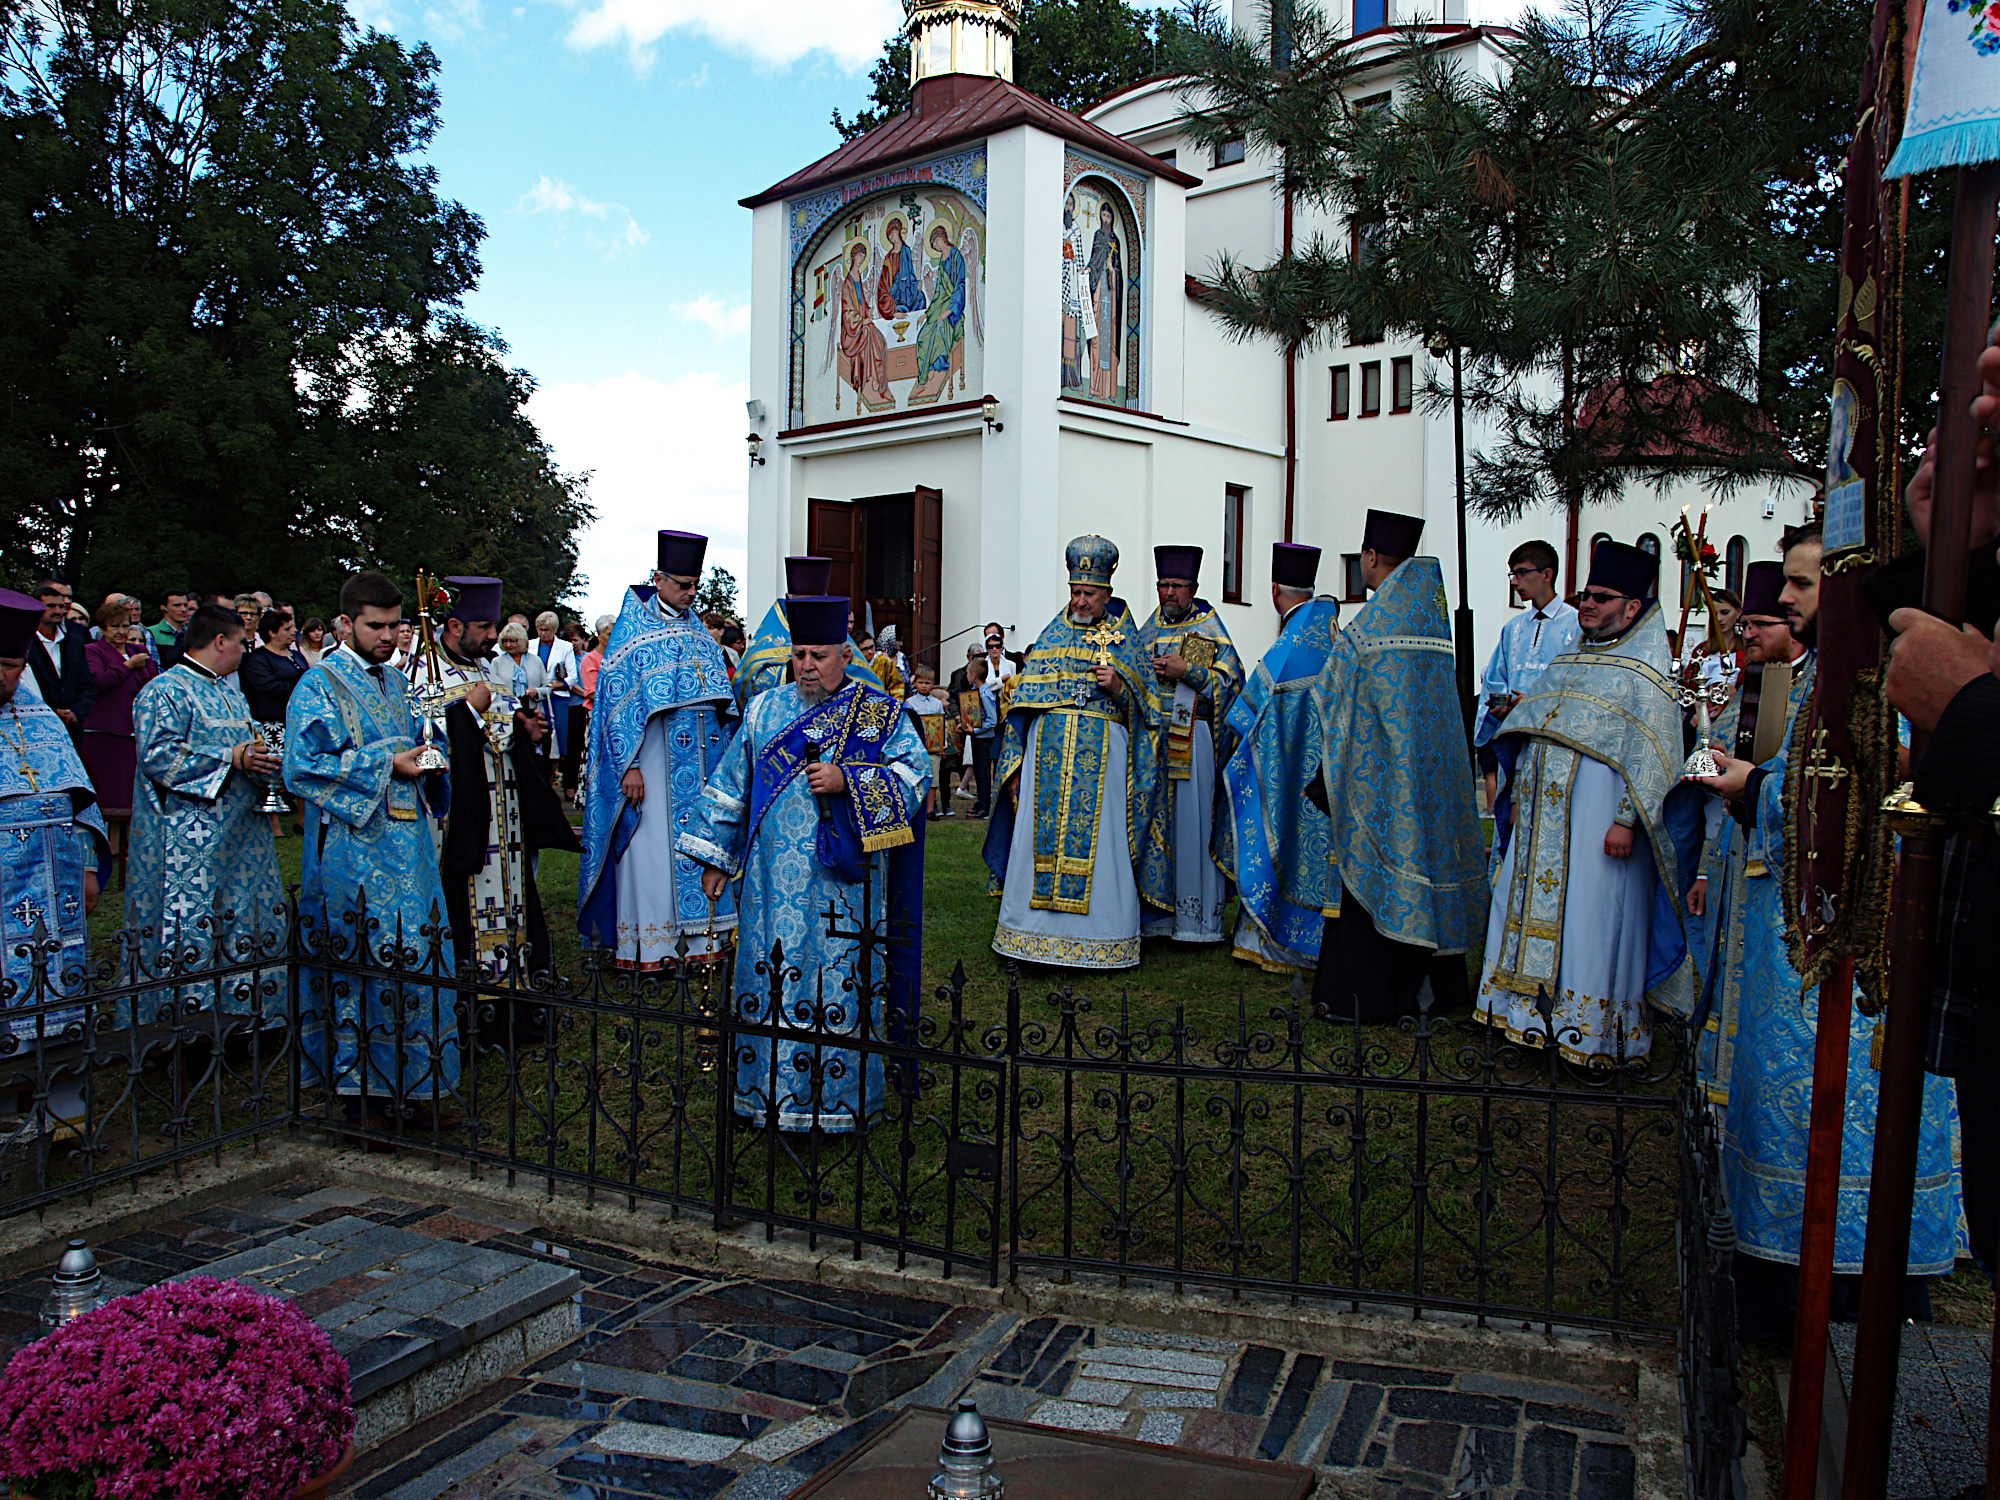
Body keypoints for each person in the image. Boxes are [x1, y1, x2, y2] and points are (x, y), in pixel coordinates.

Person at [1702, 528, 1960, 1330]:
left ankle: (1839, 1292)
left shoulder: (1892, 681)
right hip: (1803, 946)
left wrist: (1753, 788)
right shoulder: (1829, 672)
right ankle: (1789, 1281)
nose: (1782, 597)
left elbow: (1856, 797)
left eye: (1805, 586)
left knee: (1849, 1117)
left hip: (1858, 945)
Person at [678, 595, 931, 1132]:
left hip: (845, 887)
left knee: (839, 982)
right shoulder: (763, 711)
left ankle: (840, 1102)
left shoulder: (877, 712)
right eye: (799, 654)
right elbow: (732, 785)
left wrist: (850, 781)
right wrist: (717, 858)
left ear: (844, 655)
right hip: (772, 885)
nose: (807, 666)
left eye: (819, 654)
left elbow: (916, 779)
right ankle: (764, 1096)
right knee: (772, 978)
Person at [1474, 540, 1700, 1061]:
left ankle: (1591, 1033)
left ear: (1633, 608)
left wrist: (1625, 822)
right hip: (1541, 829)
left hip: (1601, 833)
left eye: (1601, 597)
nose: (1589, 605)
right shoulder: (1571, 658)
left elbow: (1653, 763)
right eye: (1586, 595)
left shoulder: (1646, 678)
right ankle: (1523, 1016)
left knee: (1592, 925)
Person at [283, 571, 457, 1117]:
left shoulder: (395, 681)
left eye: (394, 626)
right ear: (345, 623)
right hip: (352, 849)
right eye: (375, 626)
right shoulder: (319, 685)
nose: (387, 636)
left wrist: (431, 757)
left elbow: (414, 748)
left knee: (418, 949)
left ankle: (413, 1079)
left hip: (408, 843)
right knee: (363, 955)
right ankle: (357, 1087)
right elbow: (301, 767)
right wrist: (389, 762)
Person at [1310, 511, 1488, 1020]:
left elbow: (1330, 690)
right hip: (1432, 779)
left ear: (1369, 557)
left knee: (1373, 879)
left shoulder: (1371, 626)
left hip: (1379, 783)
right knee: (1428, 870)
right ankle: (1439, 991)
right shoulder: (1429, 618)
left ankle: (1367, 995)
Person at [983, 536, 1168, 969]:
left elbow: (1150, 710)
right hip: (1048, 754)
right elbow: (1026, 695)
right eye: (1075, 592)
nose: (1080, 601)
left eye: (1089, 593)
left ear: (1107, 593)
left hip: (1103, 756)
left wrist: (1121, 688)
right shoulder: (1053, 634)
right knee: (1036, 839)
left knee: (1102, 843)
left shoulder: (1124, 640)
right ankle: (1028, 937)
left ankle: (1102, 940)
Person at [419, 578, 579, 1024]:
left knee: (513, 897)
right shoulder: (425, 673)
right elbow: (426, 742)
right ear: (453, 625)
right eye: (484, 626)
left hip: (505, 817)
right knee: (466, 905)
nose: (495, 636)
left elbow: (500, 727)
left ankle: (517, 992)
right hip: (463, 820)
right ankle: (474, 1005)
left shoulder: (484, 668)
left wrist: (524, 731)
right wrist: (467, 711)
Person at [578, 531, 738, 970]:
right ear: (658, 578)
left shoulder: (700, 636)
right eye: (682, 585)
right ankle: (652, 946)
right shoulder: (631, 637)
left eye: (694, 585)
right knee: (652, 850)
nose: (690, 594)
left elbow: (724, 701)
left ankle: (703, 944)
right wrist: (628, 765)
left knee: (697, 844)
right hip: (651, 762)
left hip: (702, 762)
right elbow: (613, 711)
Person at [123, 605, 287, 1029]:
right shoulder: (165, 691)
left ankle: (249, 1014)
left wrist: (263, 761)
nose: (243, 651)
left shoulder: (230, 691)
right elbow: (157, 758)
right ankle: (188, 1022)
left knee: (242, 917)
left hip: (240, 834)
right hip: (186, 839)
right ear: (220, 641)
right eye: (240, 643)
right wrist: (231, 758)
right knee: (192, 924)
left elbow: (248, 744)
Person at [0, 588, 108, 1132]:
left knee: (59, 983)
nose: (4, 675)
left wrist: (89, 865)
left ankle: (65, 1111)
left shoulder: (40, 717)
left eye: (12, 664)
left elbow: (80, 800)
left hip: (55, 883)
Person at [1219, 543, 1341, 975]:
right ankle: (1317, 938)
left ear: (1275, 591)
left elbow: (1244, 712)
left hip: (1289, 769)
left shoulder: (1291, 642)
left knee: (1285, 844)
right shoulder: (1331, 633)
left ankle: (1272, 941)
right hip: (1325, 773)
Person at [1134, 546, 1242, 945]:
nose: (1169, 593)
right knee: (1155, 826)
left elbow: (1233, 684)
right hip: (1153, 744)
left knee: (1192, 825)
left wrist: (1190, 672)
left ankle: (1197, 923)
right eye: (1163, 585)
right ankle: (1158, 916)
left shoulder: (1210, 628)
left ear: (1193, 587)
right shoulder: (1149, 628)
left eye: (1177, 585)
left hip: (1193, 743)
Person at [1473, 541, 1580, 813]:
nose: (1515, 582)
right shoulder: (1514, 627)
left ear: (1547, 574)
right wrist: (1499, 705)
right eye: (1512, 574)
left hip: (1557, 740)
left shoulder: (1576, 625)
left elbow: (1579, 682)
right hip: (1516, 738)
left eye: (1521, 573)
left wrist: (1535, 702)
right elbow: (1497, 676)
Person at [736, 557, 887, 709]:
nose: (809, 611)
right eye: (802, 604)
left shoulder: (835, 634)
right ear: (788, 599)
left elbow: (868, 686)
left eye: (815, 603)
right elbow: (746, 684)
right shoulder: (771, 631)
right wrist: (789, 672)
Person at [80, 599, 160, 828]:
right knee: (107, 793)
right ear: (103, 628)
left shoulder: (140, 651)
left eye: (125, 626)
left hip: (135, 730)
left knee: (130, 792)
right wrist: (127, 667)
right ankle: (108, 845)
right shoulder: (92, 652)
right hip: (104, 731)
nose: (121, 632)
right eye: (115, 627)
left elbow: (152, 684)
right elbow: (98, 682)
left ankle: (129, 847)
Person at [26, 581, 95, 732]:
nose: (58, 611)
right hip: (36, 725)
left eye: (61, 606)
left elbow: (87, 684)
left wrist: (76, 712)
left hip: (73, 728)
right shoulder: (24, 644)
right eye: (51, 606)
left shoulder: (74, 643)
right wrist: (51, 711)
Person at [239, 609, 306, 727]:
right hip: (274, 724)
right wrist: (303, 688)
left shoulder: (297, 655)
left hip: (299, 719)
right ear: (272, 633)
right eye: (287, 629)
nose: (293, 631)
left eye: (293, 627)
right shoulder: (258, 659)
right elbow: (270, 687)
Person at [903, 662, 950, 819]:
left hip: (933, 748)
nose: (924, 686)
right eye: (921, 682)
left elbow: (942, 724)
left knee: (933, 780)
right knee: (916, 778)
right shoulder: (910, 702)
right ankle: (916, 808)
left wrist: (943, 743)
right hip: (915, 747)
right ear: (915, 682)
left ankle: (930, 810)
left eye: (927, 683)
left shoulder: (937, 703)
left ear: (933, 684)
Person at [534, 611, 578, 772]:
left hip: (557, 699)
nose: (542, 633)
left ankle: (551, 781)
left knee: (555, 744)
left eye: (546, 630)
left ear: (554, 630)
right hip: (536, 698)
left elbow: (573, 678)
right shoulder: (529, 644)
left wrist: (551, 686)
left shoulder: (565, 647)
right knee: (536, 741)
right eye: (539, 629)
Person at [967, 655, 997, 817]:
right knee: (979, 772)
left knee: (982, 771)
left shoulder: (984, 694)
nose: (966, 676)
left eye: (967, 673)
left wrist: (976, 730)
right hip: (977, 737)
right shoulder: (976, 692)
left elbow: (992, 720)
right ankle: (981, 802)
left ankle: (984, 807)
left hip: (984, 738)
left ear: (974, 675)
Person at [148, 590, 195, 671]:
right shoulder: (151, 633)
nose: (183, 609)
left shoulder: (194, 634)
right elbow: (153, 668)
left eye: (185, 605)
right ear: (164, 608)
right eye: (177, 605)